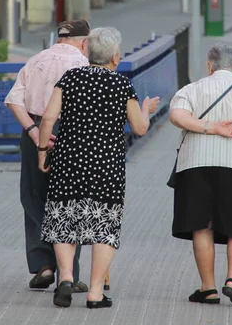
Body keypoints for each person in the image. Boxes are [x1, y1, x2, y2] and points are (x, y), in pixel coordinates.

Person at [37, 27, 160, 309]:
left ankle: (66, 278)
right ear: (115, 57)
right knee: (104, 226)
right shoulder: (121, 85)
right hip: (106, 168)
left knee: (64, 220)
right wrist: (145, 110)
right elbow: (140, 129)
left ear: (86, 53)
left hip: (69, 163)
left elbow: (47, 119)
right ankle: (94, 293)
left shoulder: (70, 78)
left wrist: (43, 151)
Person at [169, 44, 232, 306]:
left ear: (209, 65)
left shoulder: (191, 89)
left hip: (195, 164)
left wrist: (208, 127)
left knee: (201, 225)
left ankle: (208, 288)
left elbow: (177, 116)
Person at [4, 19, 93, 294]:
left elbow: (13, 99)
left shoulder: (35, 60)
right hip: (72, 133)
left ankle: (44, 265)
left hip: (35, 128)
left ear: (59, 38)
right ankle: (70, 273)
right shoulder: (82, 65)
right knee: (70, 200)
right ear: (84, 42)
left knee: (33, 195)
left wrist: (33, 131)